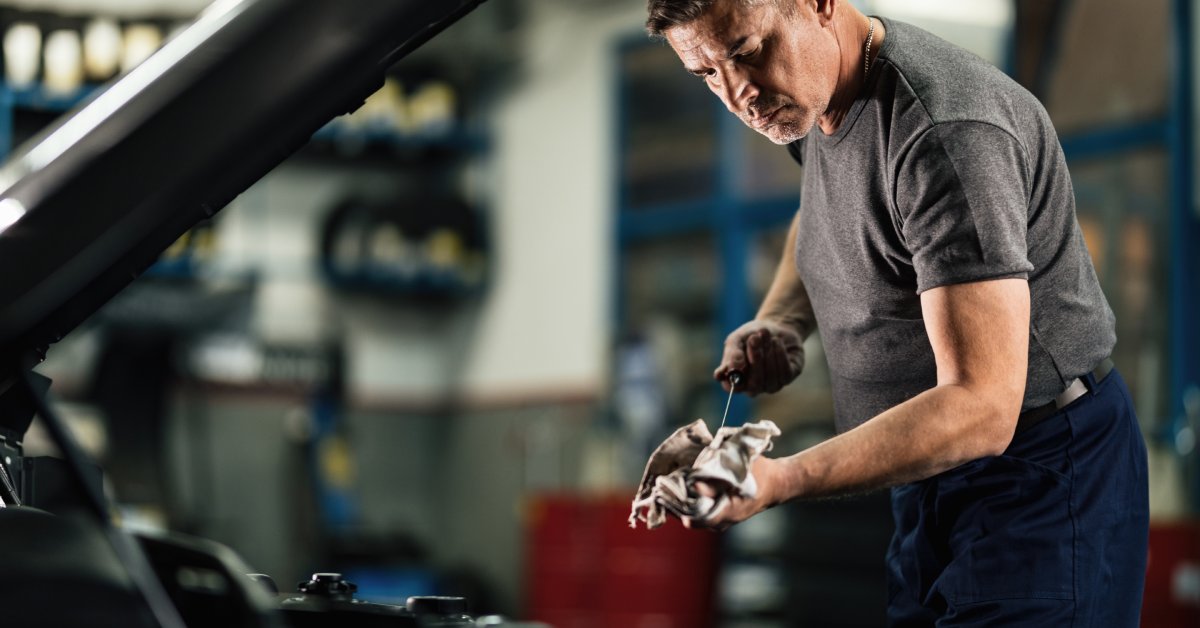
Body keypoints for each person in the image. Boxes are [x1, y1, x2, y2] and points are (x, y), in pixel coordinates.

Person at [644, 0, 1149, 625]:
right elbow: (823, 213)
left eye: (747, 52)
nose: (738, 93)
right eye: (705, 73)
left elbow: (982, 406)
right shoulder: (816, 97)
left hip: (1037, 475)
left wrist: (780, 481)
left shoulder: (944, 133)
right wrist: (780, 319)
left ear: (820, 5)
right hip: (928, 477)